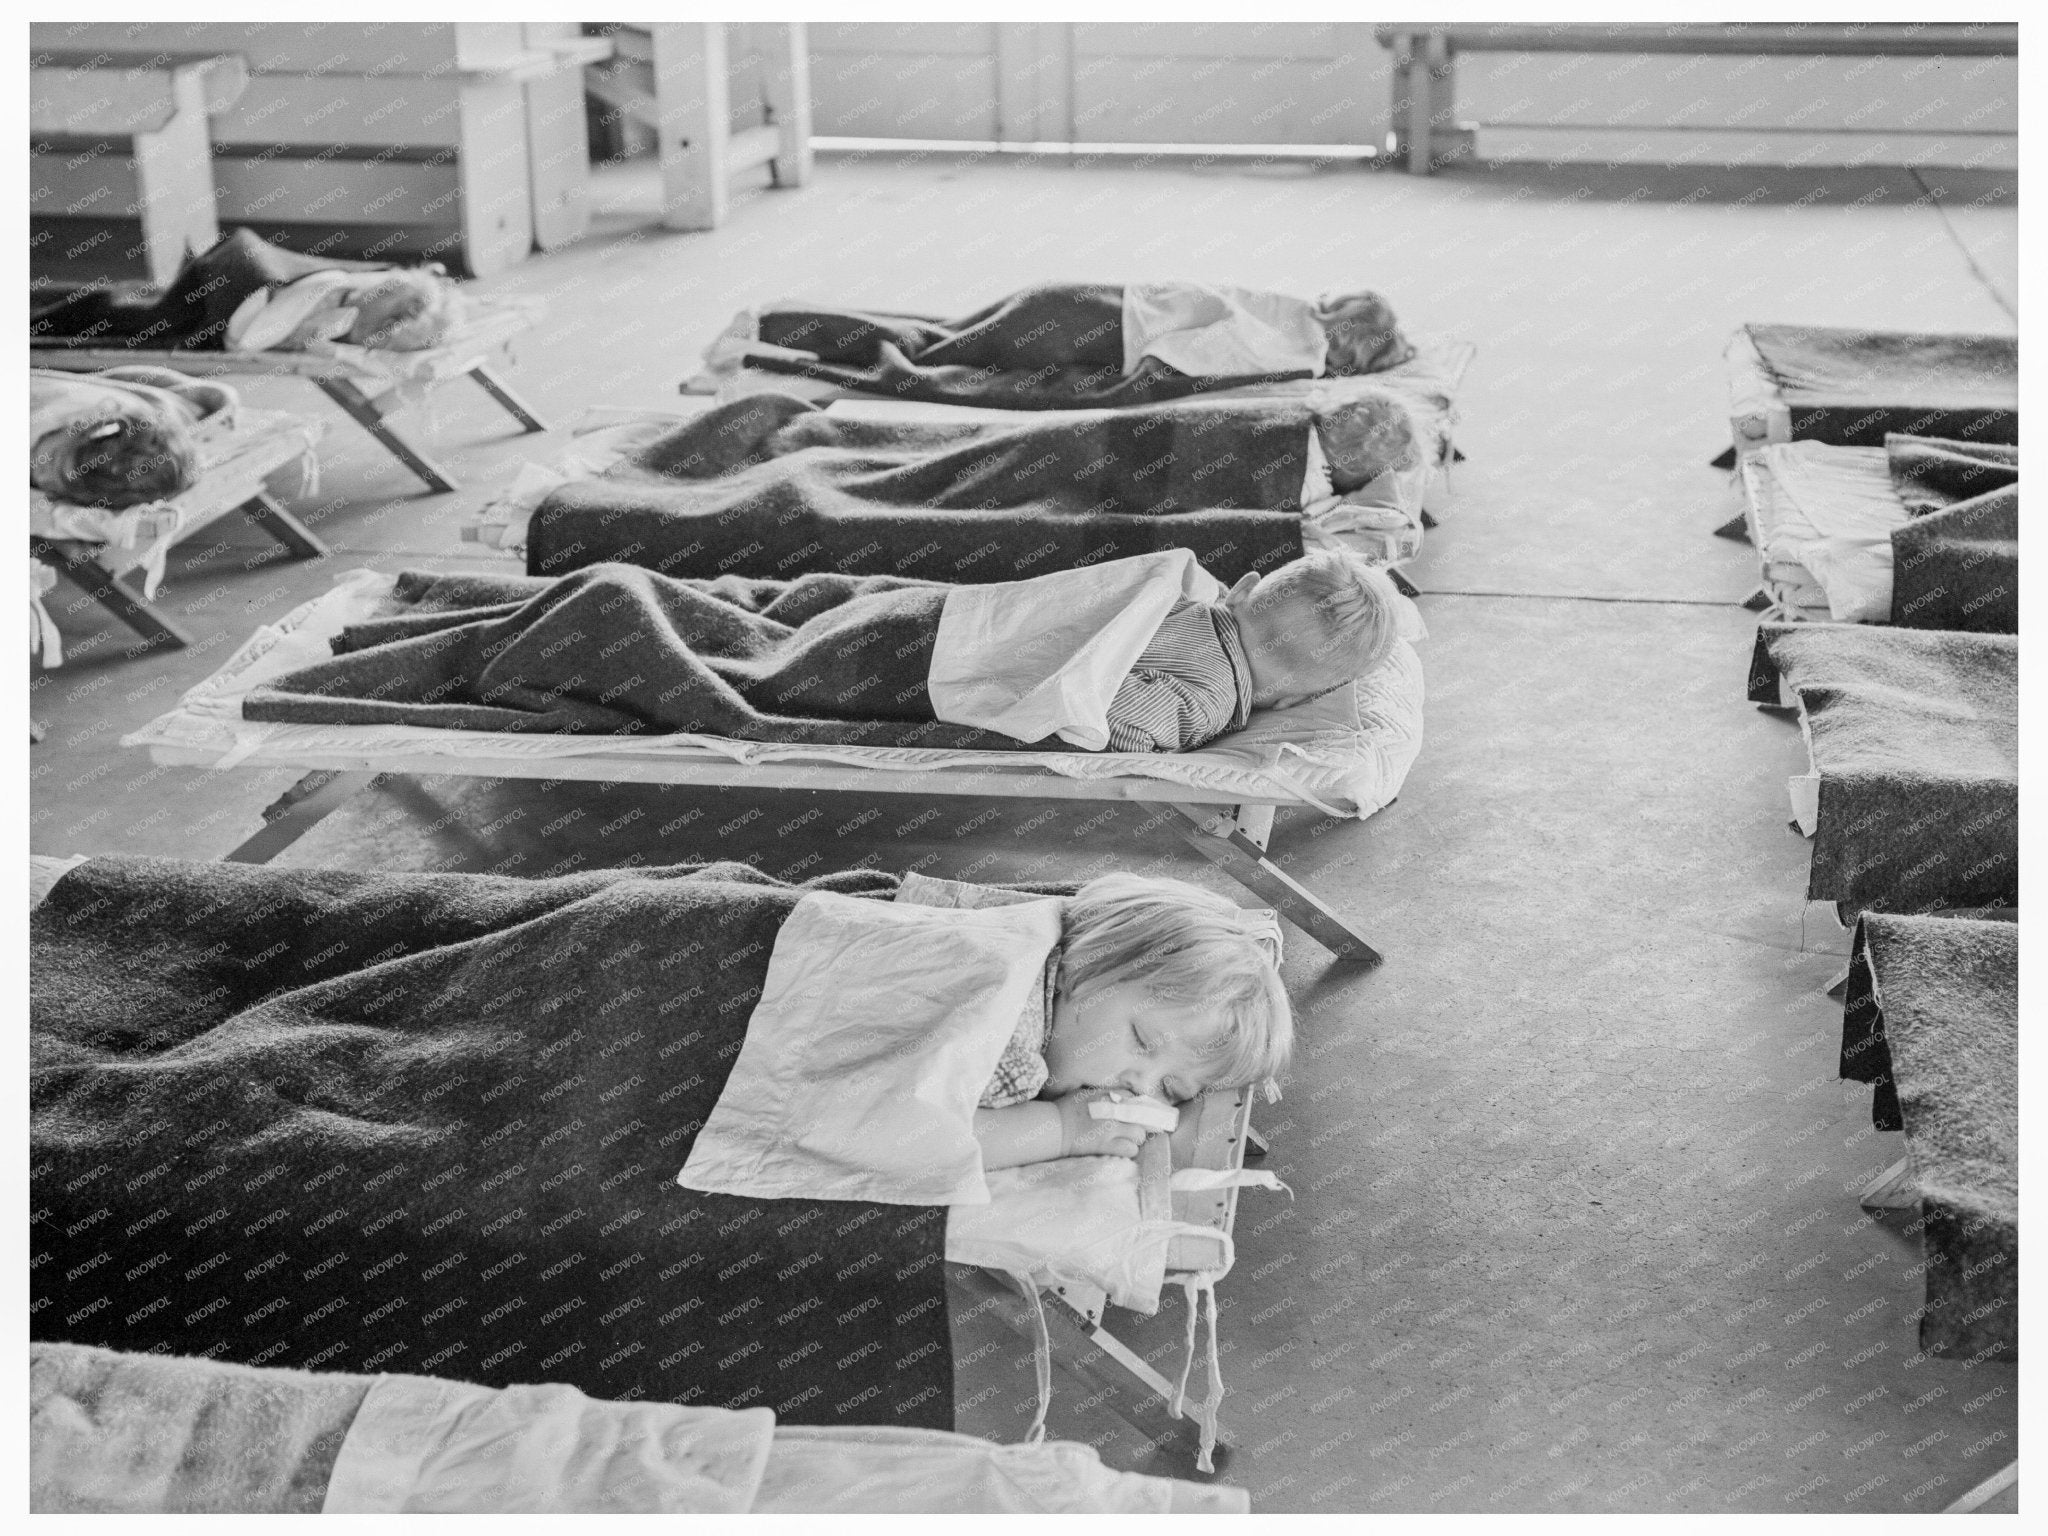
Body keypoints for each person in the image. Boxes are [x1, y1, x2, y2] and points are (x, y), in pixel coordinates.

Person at [968, 872, 1292, 1170]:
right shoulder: (1011, 1049)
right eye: (1142, 1040)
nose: (1141, 1086)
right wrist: (1062, 1129)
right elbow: (931, 1141)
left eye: (1169, 1089)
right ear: (1079, 966)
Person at [733, 280, 1417, 383]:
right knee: (923, 356)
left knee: (937, 333)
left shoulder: (1289, 305)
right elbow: (1192, 359)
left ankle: (776, 322)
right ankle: (771, 341)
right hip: (1083, 334)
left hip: (1078, 298)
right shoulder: (1298, 345)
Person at [1103, 548, 1402, 752]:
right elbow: (1105, 721)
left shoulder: (1188, 592)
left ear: (1241, 589)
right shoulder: (1208, 704)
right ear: (1298, 698)